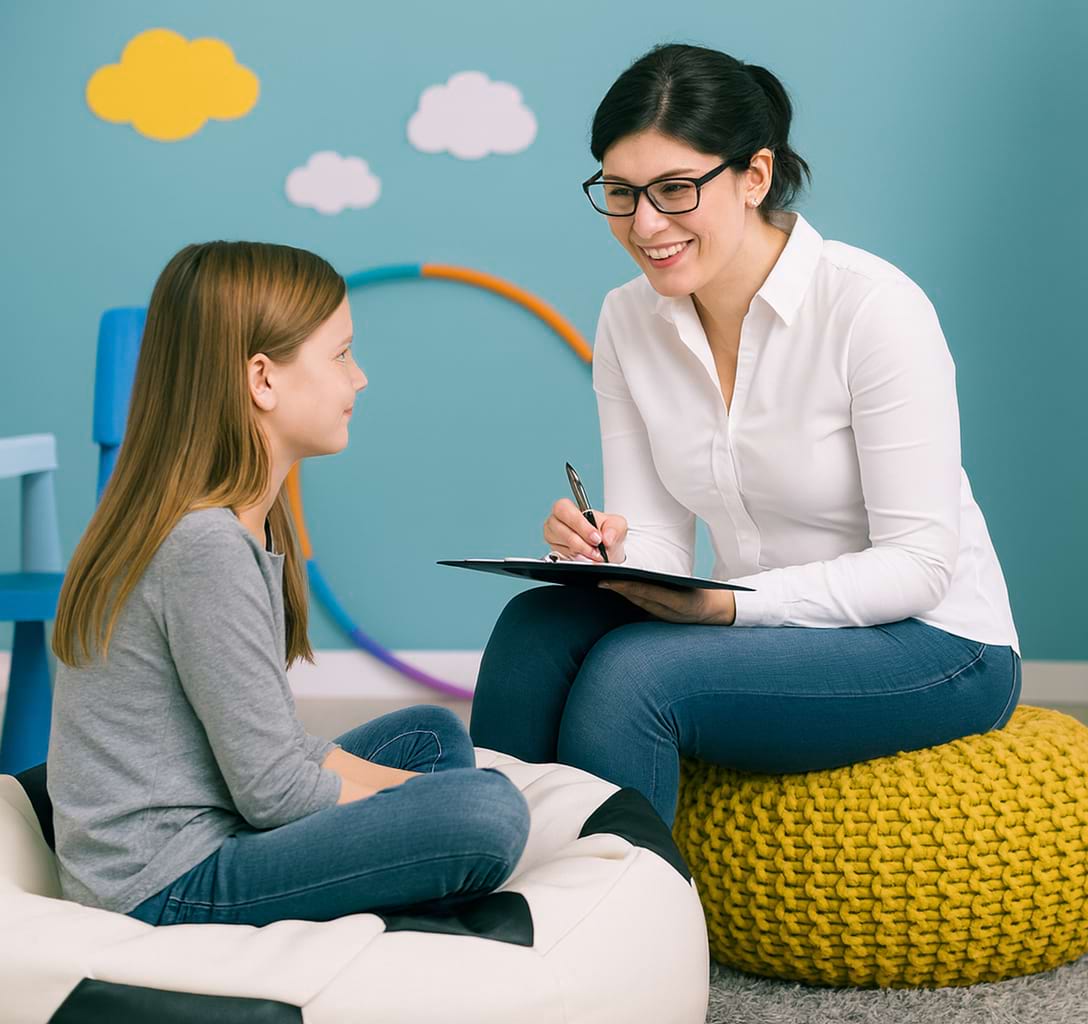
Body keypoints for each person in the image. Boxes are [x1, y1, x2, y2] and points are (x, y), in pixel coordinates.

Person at [470, 44, 1021, 826]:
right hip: (753, 625)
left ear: (754, 176)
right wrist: (603, 553)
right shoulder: (628, 320)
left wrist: (730, 610)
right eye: (620, 193)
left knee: (635, 676)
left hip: (934, 645)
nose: (644, 224)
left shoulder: (872, 310)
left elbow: (921, 567)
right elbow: (658, 545)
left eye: (675, 189)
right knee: (536, 629)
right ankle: (490, 882)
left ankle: (620, 932)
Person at [48, 241, 529, 927]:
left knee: (428, 736)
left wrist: (412, 795)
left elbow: (267, 753)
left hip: (219, 821)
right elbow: (274, 792)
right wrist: (425, 804)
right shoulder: (205, 546)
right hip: (165, 883)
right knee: (489, 811)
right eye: (340, 355)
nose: (358, 378)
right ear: (262, 379)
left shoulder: (241, 523)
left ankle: (410, 865)